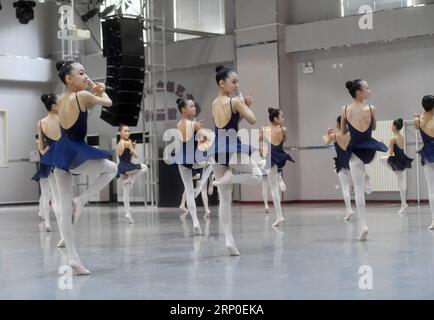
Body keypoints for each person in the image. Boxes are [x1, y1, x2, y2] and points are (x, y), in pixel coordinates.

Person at [41, 60, 117, 275]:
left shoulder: (62, 98)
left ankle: (73, 257)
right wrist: (98, 88)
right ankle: (82, 199)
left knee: (64, 209)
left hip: (60, 151)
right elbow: (109, 103)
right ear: (68, 78)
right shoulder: (81, 96)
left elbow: (91, 103)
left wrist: (94, 87)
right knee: (111, 168)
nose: (86, 76)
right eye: (82, 73)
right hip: (74, 150)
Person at [209, 65, 262, 255]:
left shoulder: (215, 103)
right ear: (222, 83)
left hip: (217, 150)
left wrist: (240, 108)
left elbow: (229, 124)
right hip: (232, 148)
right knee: (257, 176)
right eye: (234, 82)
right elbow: (253, 120)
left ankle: (229, 241)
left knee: (225, 199)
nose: (237, 85)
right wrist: (244, 106)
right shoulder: (235, 101)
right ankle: (231, 178)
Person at [340, 79, 387, 241]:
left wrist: (348, 121)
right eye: (367, 88)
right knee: (364, 174)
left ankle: (363, 226)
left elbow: (343, 131)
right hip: (369, 148)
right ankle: (368, 177)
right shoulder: (371, 108)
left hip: (355, 150)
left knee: (358, 189)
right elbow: (373, 127)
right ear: (359, 92)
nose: (369, 91)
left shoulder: (345, 109)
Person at [259, 108, 294, 227]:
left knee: (273, 188)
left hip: (269, 157)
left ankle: (279, 216)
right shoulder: (283, 129)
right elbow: (284, 140)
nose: (283, 119)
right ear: (275, 118)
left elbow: (259, 142)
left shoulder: (264, 129)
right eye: (282, 117)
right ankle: (279, 177)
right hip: (279, 156)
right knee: (274, 183)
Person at [323, 115, 354, 220]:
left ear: (338, 124)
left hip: (341, 162)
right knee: (348, 186)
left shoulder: (335, 135)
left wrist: (327, 134)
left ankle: (349, 210)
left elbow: (326, 142)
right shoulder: (351, 135)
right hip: (350, 161)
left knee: (344, 188)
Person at [379, 119, 413, 214]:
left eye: (391, 125)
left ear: (394, 127)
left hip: (397, 161)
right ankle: (404, 203)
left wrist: (387, 145)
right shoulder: (401, 137)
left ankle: (404, 204)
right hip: (402, 159)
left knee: (382, 159)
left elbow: (390, 153)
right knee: (401, 182)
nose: (391, 127)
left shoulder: (393, 138)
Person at [116, 124, 148, 224]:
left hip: (123, 166)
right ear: (120, 133)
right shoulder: (123, 142)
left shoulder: (125, 142)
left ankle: (127, 213)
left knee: (126, 191)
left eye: (128, 131)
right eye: (125, 131)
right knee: (145, 167)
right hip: (125, 166)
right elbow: (134, 155)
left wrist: (132, 146)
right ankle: (131, 179)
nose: (127, 133)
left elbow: (131, 156)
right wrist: (131, 147)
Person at [414, 95, 434, 229]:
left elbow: (419, 122)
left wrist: (417, 116)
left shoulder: (418, 120)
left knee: (431, 189)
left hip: (427, 153)